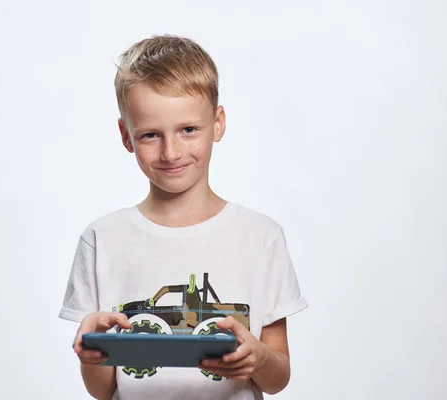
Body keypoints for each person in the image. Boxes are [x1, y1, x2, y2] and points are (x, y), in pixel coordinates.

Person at [58, 34, 308, 400]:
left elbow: (277, 378)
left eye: (188, 129)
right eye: (150, 135)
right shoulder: (102, 240)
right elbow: (102, 390)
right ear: (126, 136)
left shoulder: (261, 237)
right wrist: (93, 356)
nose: (170, 152)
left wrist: (258, 359)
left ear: (218, 123)